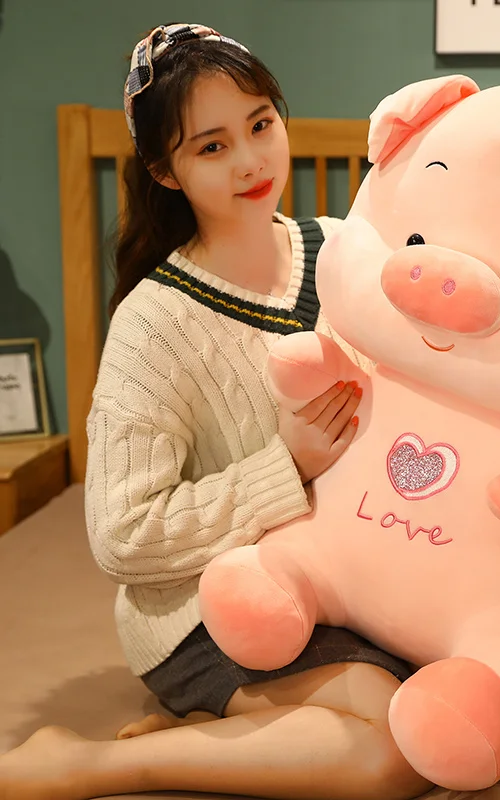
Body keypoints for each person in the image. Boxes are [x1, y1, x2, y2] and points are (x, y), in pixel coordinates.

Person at [0, 23, 432, 800]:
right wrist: (285, 469)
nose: (250, 161)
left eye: (260, 125)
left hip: (349, 584)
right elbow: (122, 534)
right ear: (165, 171)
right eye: (211, 147)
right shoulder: (154, 324)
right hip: (208, 613)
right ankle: (92, 764)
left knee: (471, 712)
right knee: (401, 750)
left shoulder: (347, 252)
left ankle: (211, 734)